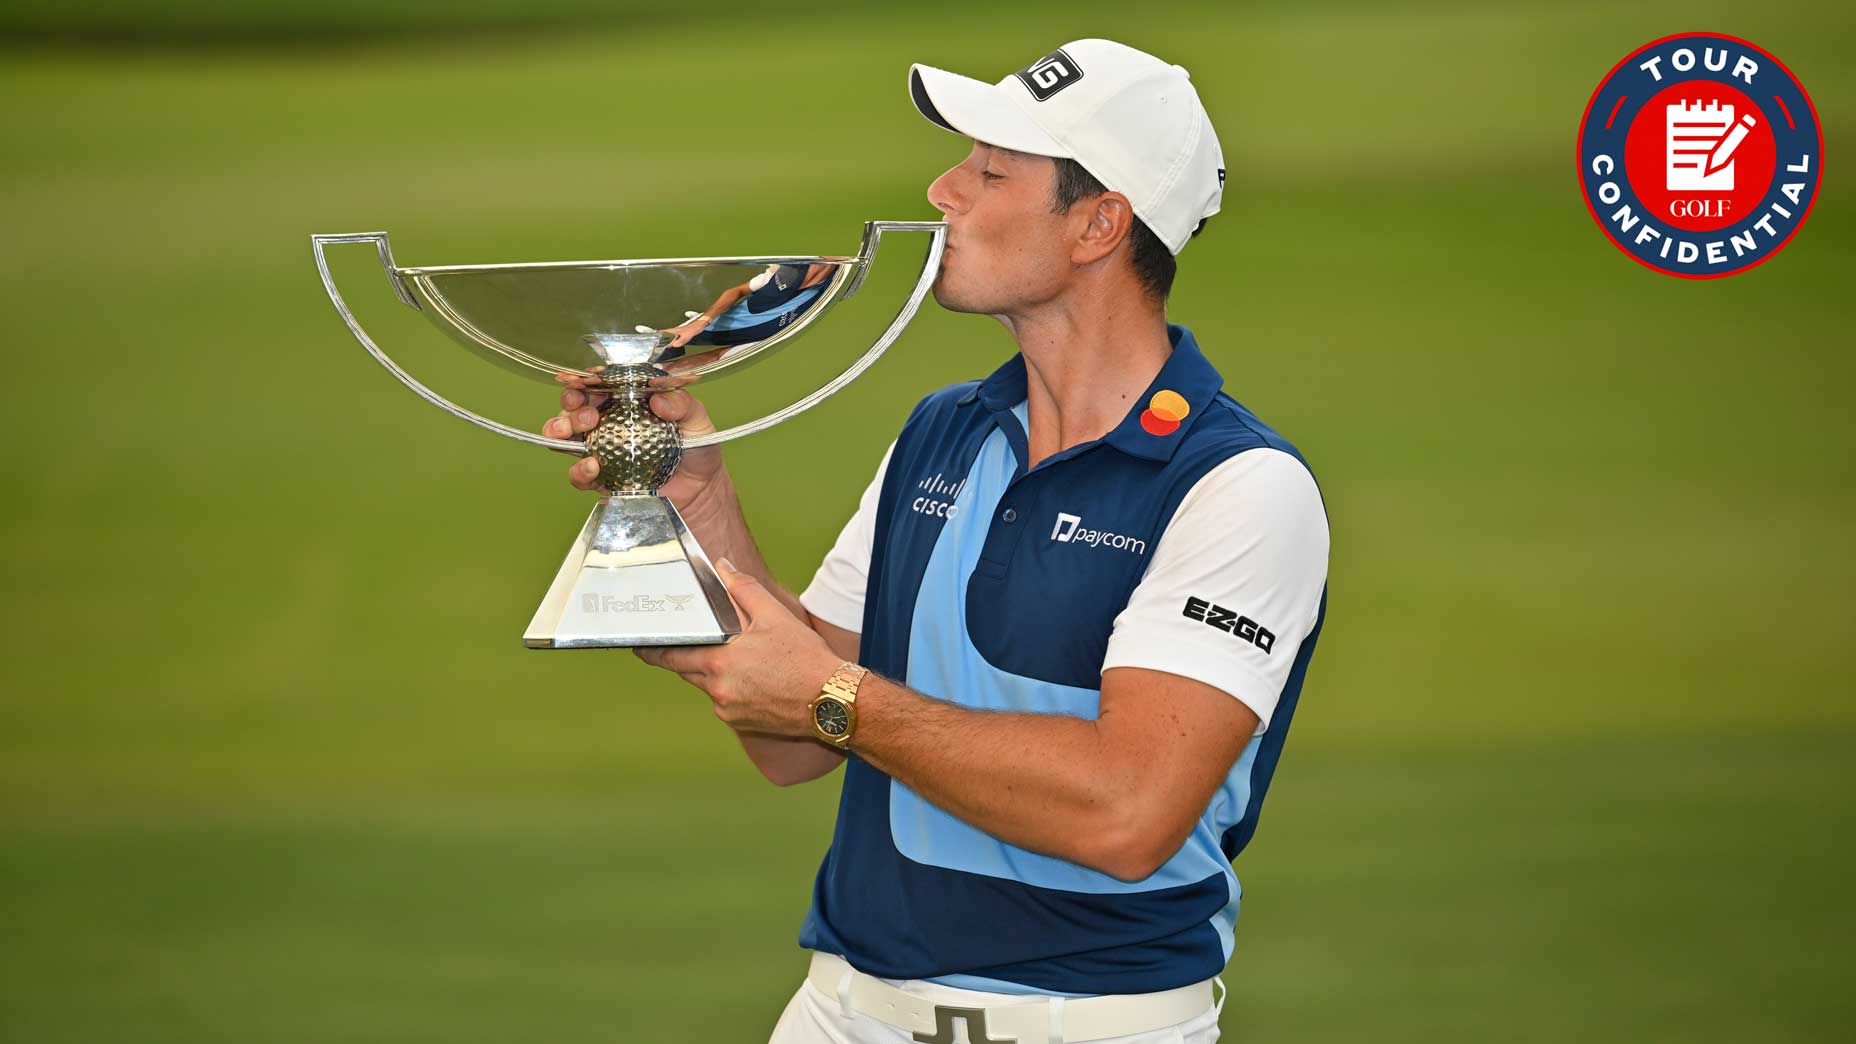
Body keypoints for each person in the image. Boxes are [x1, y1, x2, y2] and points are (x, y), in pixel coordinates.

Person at [543, 39, 1330, 1044]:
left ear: (1098, 224)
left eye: (992, 170)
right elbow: (792, 742)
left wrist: (836, 699)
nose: (943, 188)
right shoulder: (945, 431)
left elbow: (1126, 815)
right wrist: (699, 506)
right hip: (842, 1009)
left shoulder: (1240, 487)